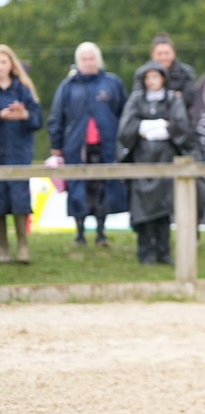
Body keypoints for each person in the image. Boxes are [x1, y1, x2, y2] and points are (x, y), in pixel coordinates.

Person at [49, 42, 129, 247]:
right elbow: (57, 117)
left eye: (91, 58)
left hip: (106, 146)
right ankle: (80, 233)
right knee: (78, 189)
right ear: (78, 61)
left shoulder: (112, 83)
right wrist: (56, 145)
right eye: (84, 58)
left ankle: (101, 233)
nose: (88, 62)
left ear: (98, 59)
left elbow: (125, 114)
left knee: (103, 188)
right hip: (76, 148)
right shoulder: (68, 86)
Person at [118, 61, 191, 265]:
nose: (152, 82)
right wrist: (149, 125)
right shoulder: (136, 100)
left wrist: (162, 128)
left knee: (163, 208)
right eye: (148, 78)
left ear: (163, 78)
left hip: (165, 158)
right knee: (142, 209)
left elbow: (181, 126)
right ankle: (145, 252)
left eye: (156, 77)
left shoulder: (172, 99)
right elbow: (126, 128)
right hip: (142, 159)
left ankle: (163, 251)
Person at [0, 45, 43, 264]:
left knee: (19, 200)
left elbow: (38, 121)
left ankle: (22, 245)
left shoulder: (23, 90)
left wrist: (25, 114)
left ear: (12, 64)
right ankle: (3, 248)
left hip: (18, 153)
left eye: (3, 61)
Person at [149, 33, 197, 112]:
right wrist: (175, 96)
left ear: (174, 53)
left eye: (166, 53)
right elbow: (138, 100)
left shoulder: (186, 72)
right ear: (152, 55)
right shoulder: (143, 74)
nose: (163, 57)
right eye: (159, 54)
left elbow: (189, 99)